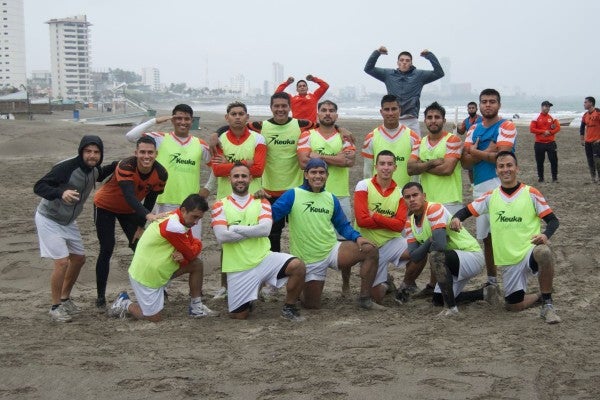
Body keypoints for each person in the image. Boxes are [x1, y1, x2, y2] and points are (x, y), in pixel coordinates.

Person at [451, 151, 561, 324]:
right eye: (501, 166)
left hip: (528, 251)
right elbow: (466, 210)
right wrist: (457, 218)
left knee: (544, 252)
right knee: (513, 306)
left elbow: (553, 221)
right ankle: (540, 296)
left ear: (517, 168)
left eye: (509, 165)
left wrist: (545, 235)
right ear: (496, 171)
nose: (505, 169)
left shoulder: (531, 193)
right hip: (509, 260)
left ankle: (548, 304)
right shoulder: (490, 196)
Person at [271, 158, 383, 309]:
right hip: (310, 259)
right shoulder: (293, 194)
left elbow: (343, 225)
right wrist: (258, 205)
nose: (318, 176)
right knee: (312, 305)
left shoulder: (330, 198)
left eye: (322, 172)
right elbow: (271, 215)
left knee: (370, 250)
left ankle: (365, 299)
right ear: (306, 175)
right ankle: (299, 288)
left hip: (332, 250)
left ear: (327, 176)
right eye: (313, 172)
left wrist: (358, 237)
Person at [34, 135, 116, 322]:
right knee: (62, 262)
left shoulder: (93, 169)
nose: (92, 156)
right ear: (81, 152)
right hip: (49, 218)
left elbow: (100, 173)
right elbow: (39, 186)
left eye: (96, 152)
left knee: (78, 259)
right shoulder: (66, 167)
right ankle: (55, 307)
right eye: (88, 151)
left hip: (68, 222)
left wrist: (120, 164)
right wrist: (60, 192)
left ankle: (65, 299)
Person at [211, 163, 306, 321]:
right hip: (238, 266)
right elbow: (222, 237)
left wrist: (234, 228)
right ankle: (250, 298)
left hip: (264, 259)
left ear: (251, 178)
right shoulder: (219, 205)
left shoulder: (261, 202)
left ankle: (289, 307)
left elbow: (265, 230)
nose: (240, 179)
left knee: (298, 266)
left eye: (243, 176)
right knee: (239, 316)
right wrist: (253, 230)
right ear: (229, 179)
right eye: (236, 176)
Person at [107, 194, 219, 321]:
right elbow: (192, 250)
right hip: (147, 276)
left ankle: (196, 307)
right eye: (195, 217)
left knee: (196, 264)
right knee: (153, 318)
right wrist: (192, 249)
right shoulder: (173, 226)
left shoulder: (177, 217)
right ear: (183, 210)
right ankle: (125, 303)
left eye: (199, 218)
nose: (196, 222)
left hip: (161, 270)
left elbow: (191, 249)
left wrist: (188, 253)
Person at [401, 182, 499, 316]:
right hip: (451, 260)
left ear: (424, 196)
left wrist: (427, 245)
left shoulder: (433, 209)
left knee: (435, 256)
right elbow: (415, 257)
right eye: (407, 197)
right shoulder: (409, 222)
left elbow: (440, 245)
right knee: (438, 299)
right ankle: (484, 293)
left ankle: (451, 309)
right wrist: (430, 241)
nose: (412, 199)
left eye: (415, 195)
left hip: (470, 254)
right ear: (404, 200)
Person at [93, 136, 168, 308]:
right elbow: (130, 196)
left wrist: (141, 226)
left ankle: (156, 288)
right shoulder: (126, 165)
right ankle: (100, 297)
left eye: (150, 152)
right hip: (105, 205)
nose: (146, 156)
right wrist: (148, 216)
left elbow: (150, 200)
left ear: (156, 154)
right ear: (136, 153)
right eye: (142, 152)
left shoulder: (161, 173)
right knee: (107, 248)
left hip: (129, 211)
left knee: (140, 247)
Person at [125, 104, 211, 239]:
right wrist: (155, 121)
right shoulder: (159, 139)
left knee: (191, 247)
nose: (183, 122)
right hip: (162, 203)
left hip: (191, 205)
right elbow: (130, 136)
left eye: (187, 119)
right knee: (162, 245)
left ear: (192, 121)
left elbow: (218, 166)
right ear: (172, 120)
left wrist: (208, 188)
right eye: (178, 118)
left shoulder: (199, 144)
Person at [210, 101, 267, 299]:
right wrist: (246, 163)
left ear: (247, 117)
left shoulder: (258, 139)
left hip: (254, 198)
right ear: (227, 118)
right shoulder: (219, 140)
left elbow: (259, 169)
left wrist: (231, 164)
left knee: (255, 241)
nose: (237, 117)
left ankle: (257, 283)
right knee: (228, 245)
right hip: (226, 197)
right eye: (233, 114)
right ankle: (225, 286)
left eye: (241, 113)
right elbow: (217, 170)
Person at [406, 102, 464, 297]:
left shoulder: (453, 140)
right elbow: (410, 168)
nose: (433, 121)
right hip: (428, 202)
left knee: (449, 245)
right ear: (425, 120)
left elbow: (448, 170)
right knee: (433, 245)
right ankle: (433, 286)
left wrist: (422, 165)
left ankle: (446, 287)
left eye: (437, 117)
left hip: (449, 201)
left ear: (444, 120)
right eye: (429, 117)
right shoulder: (419, 142)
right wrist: (432, 162)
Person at [461, 89, 517, 289]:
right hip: (479, 189)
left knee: (506, 234)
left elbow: (503, 158)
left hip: (502, 188)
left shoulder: (507, 126)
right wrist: (485, 151)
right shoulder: (472, 129)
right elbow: (465, 163)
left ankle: (512, 277)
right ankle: (492, 280)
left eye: (492, 101)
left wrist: (474, 151)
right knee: (487, 238)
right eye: (484, 101)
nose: (488, 105)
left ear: (499, 105)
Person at [354, 150, 411, 304]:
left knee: (419, 249)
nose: (386, 167)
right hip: (370, 246)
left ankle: (407, 285)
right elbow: (361, 220)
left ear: (395, 167)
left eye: (390, 164)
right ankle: (386, 282)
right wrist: (389, 221)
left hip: (392, 242)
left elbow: (399, 226)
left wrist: (376, 216)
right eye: (382, 164)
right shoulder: (363, 185)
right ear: (376, 166)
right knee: (376, 297)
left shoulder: (400, 193)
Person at [364, 46, 444, 134]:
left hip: (411, 119)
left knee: (416, 146)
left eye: (407, 60)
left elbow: (439, 73)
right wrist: (377, 53)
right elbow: (369, 69)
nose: (404, 63)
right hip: (393, 119)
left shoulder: (419, 75)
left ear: (411, 63)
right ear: (397, 63)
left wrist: (429, 55)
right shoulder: (388, 74)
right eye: (401, 60)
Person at [297, 100, 355, 221]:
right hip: (313, 194)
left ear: (336, 115)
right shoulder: (307, 135)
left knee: (343, 236)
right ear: (318, 114)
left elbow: (349, 161)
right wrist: (337, 158)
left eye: (331, 111)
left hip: (340, 195)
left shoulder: (345, 137)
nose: (327, 113)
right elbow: (303, 163)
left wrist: (319, 157)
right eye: (323, 110)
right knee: (315, 235)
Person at [362, 94, 421, 189]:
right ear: (381, 112)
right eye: (387, 109)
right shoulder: (371, 137)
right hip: (378, 195)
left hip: (403, 197)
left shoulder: (413, 137)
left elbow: (415, 173)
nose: (390, 113)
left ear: (400, 110)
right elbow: (367, 171)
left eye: (394, 109)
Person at [530, 101, 561, 183]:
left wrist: (550, 132)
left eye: (549, 106)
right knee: (539, 162)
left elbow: (558, 128)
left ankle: (554, 178)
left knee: (554, 161)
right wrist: (543, 131)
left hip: (551, 143)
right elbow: (532, 129)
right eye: (546, 106)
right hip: (539, 143)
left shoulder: (552, 117)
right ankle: (541, 178)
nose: (547, 108)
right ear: (542, 107)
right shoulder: (536, 117)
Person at [580, 96, 600, 183]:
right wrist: (582, 139)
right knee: (590, 161)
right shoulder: (585, 115)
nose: (584, 104)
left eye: (585, 102)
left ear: (591, 103)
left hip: (597, 142)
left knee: (597, 161)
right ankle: (593, 178)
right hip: (588, 142)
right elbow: (582, 127)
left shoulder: (598, 113)